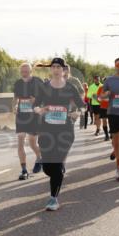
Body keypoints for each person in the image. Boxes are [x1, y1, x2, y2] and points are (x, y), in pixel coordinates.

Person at [33, 57, 84, 211]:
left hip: (65, 131)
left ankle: (53, 198)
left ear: (64, 70)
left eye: (58, 67)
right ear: (51, 70)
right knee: (48, 168)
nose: (55, 69)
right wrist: (40, 110)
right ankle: (58, 169)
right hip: (46, 130)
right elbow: (35, 105)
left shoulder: (70, 88)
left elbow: (83, 106)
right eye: (53, 67)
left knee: (56, 165)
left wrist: (77, 113)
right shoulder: (44, 87)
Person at [12, 63, 43, 179]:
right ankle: (24, 170)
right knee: (20, 142)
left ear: (31, 71)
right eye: (22, 72)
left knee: (32, 143)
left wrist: (36, 101)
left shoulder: (38, 81)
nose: (24, 74)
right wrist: (14, 106)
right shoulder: (18, 83)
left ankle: (39, 157)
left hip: (34, 117)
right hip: (21, 116)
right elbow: (15, 98)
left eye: (26, 71)